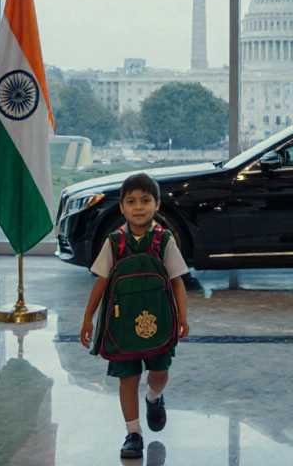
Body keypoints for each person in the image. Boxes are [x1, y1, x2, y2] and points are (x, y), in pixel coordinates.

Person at [80, 173, 190, 460]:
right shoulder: (114, 242)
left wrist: (182, 316)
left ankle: (154, 397)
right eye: (131, 201)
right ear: (122, 208)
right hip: (120, 325)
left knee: (160, 373)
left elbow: (177, 281)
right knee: (127, 378)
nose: (138, 207)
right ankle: (133, 433)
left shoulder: (164, 240)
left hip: (160, 322)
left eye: (145, 200)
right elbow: (101, 282)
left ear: (157, 204)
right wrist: (87, 318)